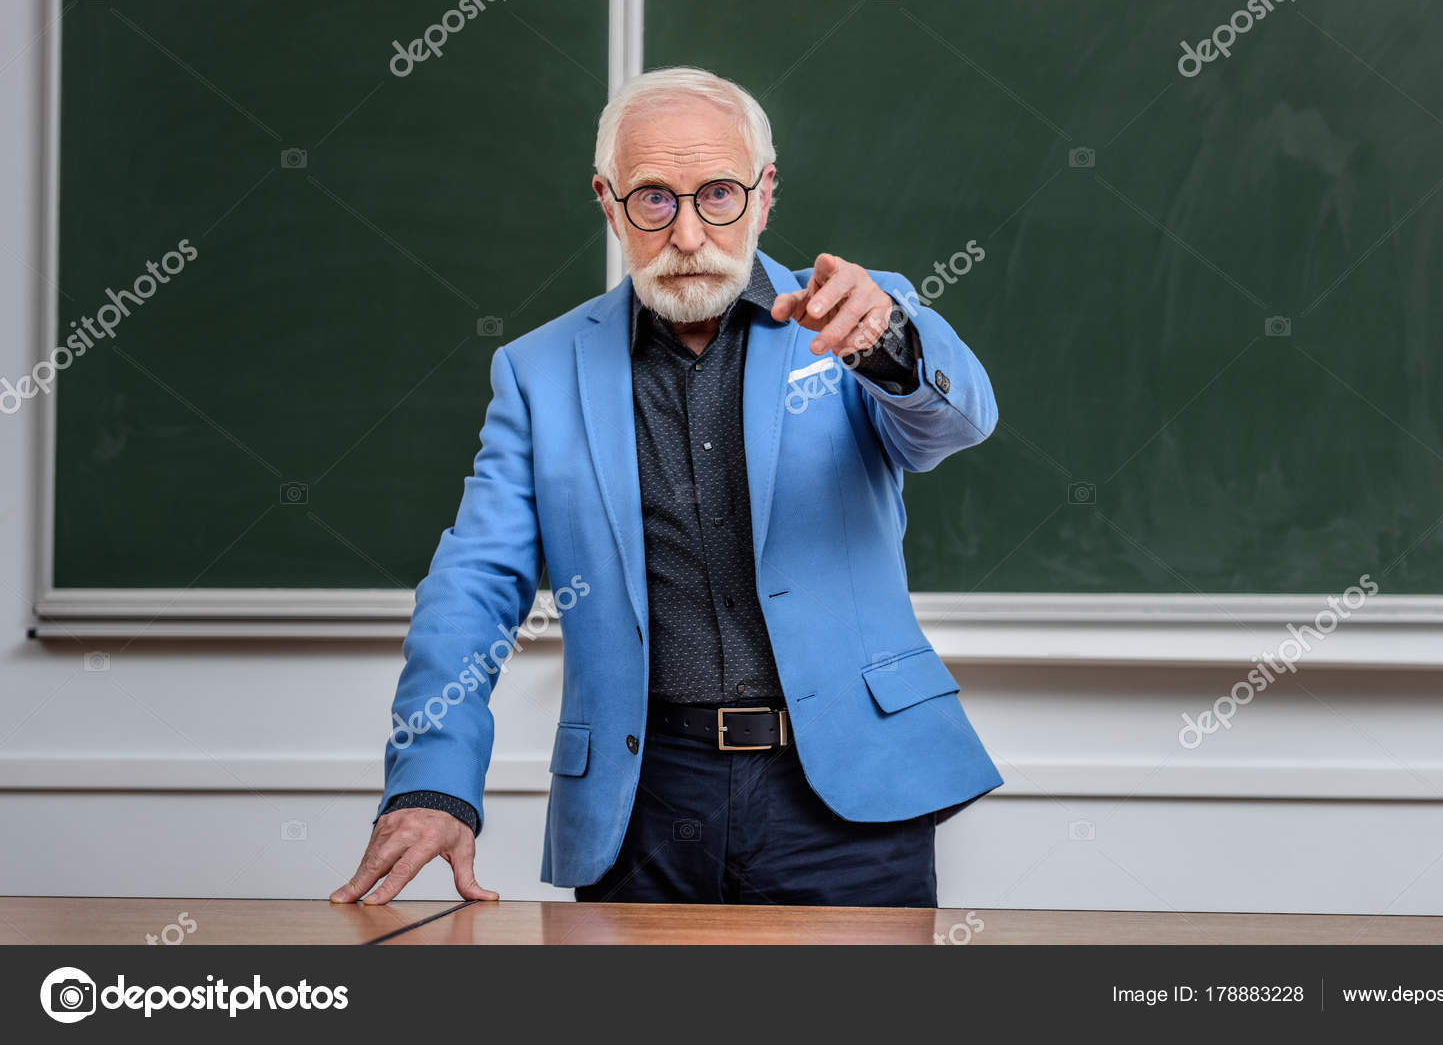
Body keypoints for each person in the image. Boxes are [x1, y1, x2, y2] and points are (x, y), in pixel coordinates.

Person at [332, 66, 1001, 908]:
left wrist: (890, 342)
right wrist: (432, 780)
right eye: (654, 198)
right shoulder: (539, 372)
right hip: (641, 806)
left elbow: (953, 422)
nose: (688, 233)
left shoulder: (855, 321)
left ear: (764, 197)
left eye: (717, 193)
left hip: (851, 798)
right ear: (608, 204)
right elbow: (473, 586)